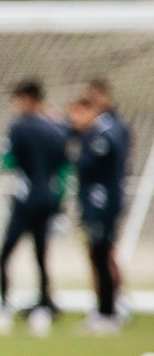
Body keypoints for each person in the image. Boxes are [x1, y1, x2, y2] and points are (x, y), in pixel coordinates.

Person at [0, 80, 70, 335]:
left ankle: (4, 308)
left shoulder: (19, 127)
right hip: (48, 198)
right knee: (41, 255)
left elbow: (7, 160)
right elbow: (65, 168)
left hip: (26, 200)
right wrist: (59, 205)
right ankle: (44, 308)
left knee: (5, 253)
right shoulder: (56, 128)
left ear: (27, 99)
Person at [68, 86, 131, 333]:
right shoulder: (101, 132)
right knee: (99, 255)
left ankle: (108, 312)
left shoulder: (103, 134)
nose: (74, 120)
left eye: (77, 114)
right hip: (97, 204)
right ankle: (107, 307)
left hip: (101, 205)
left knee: (102, 255)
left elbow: (85, 165)